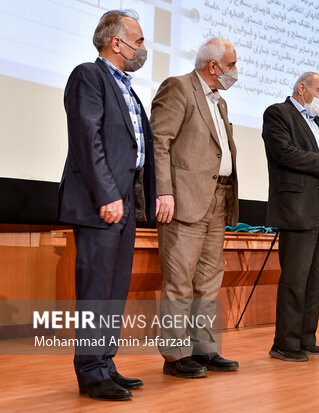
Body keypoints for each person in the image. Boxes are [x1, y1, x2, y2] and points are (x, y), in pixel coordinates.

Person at [58, 9, 159, 401]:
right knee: (95, 291)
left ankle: (105, 363)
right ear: (116, 43)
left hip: (124, 202)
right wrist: (107, 196)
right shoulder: (89, 76)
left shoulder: (127, 87)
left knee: (114, 291)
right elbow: (87, 140)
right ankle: (90, 372)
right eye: (139, 40)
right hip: (101, 203)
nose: (143, 48)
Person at [150, 38, 239, 378]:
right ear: (213, 66)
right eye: (231, 65)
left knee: (208, 280)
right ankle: (175, 355)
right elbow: (160, 142)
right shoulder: (179, 87)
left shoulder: (220, 102)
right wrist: (165, 192)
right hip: (184, 200)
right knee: (180, 280)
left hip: (218, 199)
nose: (235, 71)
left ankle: (203, 348)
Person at [262, 72, 319, 362]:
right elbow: (286, 154)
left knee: (315, 278)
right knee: (295, 276)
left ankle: (306, 337)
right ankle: (285, 343)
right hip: (296, 206)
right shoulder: (279, 113)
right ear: (301, 88)